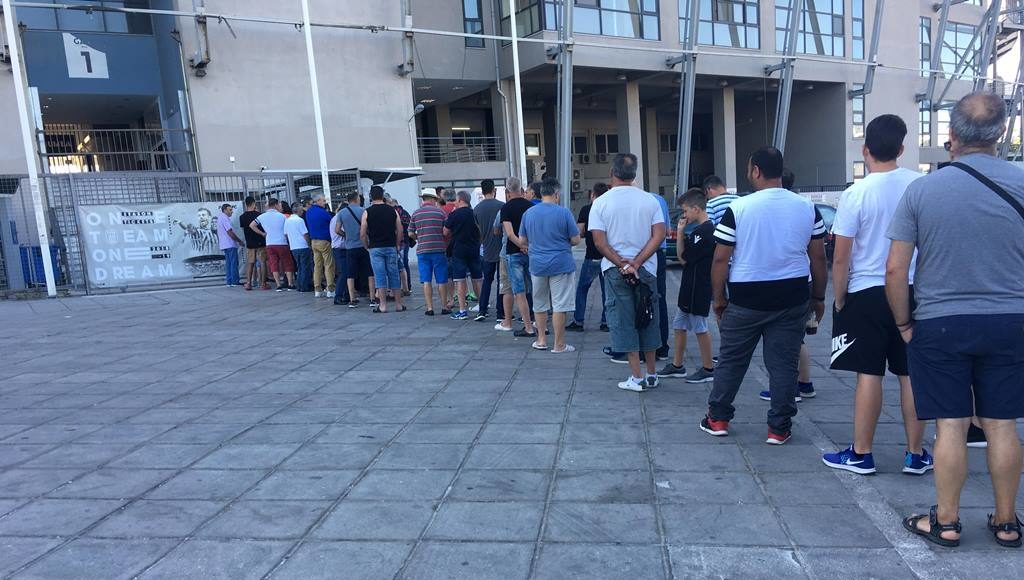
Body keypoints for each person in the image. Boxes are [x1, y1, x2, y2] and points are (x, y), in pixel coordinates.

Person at [888, 92, 1024, 549]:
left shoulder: (923, 190)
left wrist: (905, 324)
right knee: (1002, 424)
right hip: (1011, 320)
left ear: (952, 134)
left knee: (950, 423)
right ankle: (1007, 523)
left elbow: (896, 270)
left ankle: (946, 522)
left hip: (941, 320)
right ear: (1000, 133)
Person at [822, 114, 931, 476]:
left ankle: (861, 453)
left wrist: (840, 298)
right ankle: (916, 454)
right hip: (912, 289)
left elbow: (841, 256)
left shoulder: (856, 193)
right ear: (901, 148)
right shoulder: (920, 186)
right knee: (910, 374)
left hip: (866, 291)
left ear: (865, 149)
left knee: (868, 373)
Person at [700, 146, 827, 445]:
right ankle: (779, 428)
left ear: (756, 170)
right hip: (792, 294)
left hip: (746, 296)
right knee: (783, 363)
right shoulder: (807, 208)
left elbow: (720, 259)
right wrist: (819, 298)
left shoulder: (740, 208)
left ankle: (718, 418)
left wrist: (719, 300)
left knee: (731, 360)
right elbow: (819, 258)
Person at [590, 153, 666, 392]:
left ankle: (636, 376)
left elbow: (600, 242)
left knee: (623, 321)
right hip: (647, 269)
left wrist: (622, 264)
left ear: (612, 173)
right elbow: (659, 235)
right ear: (634, 175)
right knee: (648, 317)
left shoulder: (601, 203)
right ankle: (652, 373)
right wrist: (638, 261)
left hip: (615, 270)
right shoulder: (650, 200)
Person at [758, 168, 816, 401]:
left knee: (780, 342)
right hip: (804, 278)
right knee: (798, 338)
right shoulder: (804, 207)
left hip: (782, 281)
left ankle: (788, 389)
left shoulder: (772, 209)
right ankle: (805, 383)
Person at [658, 188, 716, 383]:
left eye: (685, 210)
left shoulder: (704, 232)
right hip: (691, 284)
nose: (684, 215)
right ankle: (677, 365)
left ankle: (708, 368)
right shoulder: (702, 230)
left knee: (699, 326)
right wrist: (682, 231)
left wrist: (681, 232)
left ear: (696, 209)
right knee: (679, 324)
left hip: (697, 286)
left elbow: (683, 258)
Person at [519, 177, 580, 352]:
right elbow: (576, 239)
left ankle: (541, 340)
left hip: (537, 264)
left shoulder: (529, 213)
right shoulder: (564, 213)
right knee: (560, 305)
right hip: (561, 264)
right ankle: (559, 344)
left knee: (539, 304)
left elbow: (522, 240)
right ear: (556, 194)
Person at [567, 183, 609, 333]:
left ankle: (578, 321)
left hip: (591, 255)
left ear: (592, 195)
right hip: (608, 256)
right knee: (607, 291)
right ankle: (606, 321)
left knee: (582, 289)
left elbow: (579, 231)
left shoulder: (586, 209)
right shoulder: (609, 209)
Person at [502, 177, 540, 338]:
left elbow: (510, 234)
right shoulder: (531, 206)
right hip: (532, 252)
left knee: (520, 292)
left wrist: (521, 245)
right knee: (537, 289)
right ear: (521, 190)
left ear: (507, 191)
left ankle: (528, 327)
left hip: (514, 252)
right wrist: (527, 246)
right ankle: (541, 325)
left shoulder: (506, 208)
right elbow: (536, 231)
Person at [360, 186, 405, 313]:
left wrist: (366, 246)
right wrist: (397, 244)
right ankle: (398, 304)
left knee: (379, 276)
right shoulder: (392, 211)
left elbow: (362, 233)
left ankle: (383, 305)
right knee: (394, 274)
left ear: (371, 197)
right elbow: (400, 229)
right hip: (390, 246)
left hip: (375, 247)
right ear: (382, 196)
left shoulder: (367, 212)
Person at [410, 188, 450, 315]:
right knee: (441, 280)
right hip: (439, 249)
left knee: (426, 280)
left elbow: (410, 233)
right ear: (433, 199)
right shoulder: (441, 212)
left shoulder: (416, 213)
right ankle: (444, 307)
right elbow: (446, 231)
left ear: (423, 199)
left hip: (423, 250)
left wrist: (419, 238)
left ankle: (430, 308)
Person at [444, 191, 484, 320]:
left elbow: (445, 232)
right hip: (474, 249)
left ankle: (462, 310)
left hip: (459, 250)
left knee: (460, 280)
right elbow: (480, 231)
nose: (455, 202)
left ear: (461, 200)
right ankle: (482, 308)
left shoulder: (454, 214)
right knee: (477, 278)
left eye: (456, 200)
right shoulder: (474, 213)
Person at [474, 178, 506, 322]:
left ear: (482, 191)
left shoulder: (477, 209)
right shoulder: (502, 206)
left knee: (487, 280)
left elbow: (477, 231)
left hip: (486, 249)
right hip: (501, 248)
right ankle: (501, 312)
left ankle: (482, 309)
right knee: (502, 282)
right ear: (494, 190)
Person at [249, 198, 295, 291]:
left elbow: (252, 225)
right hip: (282, 242)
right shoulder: (282, 216)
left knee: (274, 264)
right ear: (275, 205)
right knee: (287, 263)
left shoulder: (262, 216)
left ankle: (278, 285)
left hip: (270, 243)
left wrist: (262, 233)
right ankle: (290, 284)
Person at [338, 191, 375, 308]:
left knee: (351, 274)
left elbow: (337, 230)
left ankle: (352, 299)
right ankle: (372, 298)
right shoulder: (363, 211)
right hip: (363, 246)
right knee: (369, 273)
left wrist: (346, 235)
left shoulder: (341, 213)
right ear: (356, 199)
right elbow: (368, 227)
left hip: (350, 247)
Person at [305, 193, 335, 298]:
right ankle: (330, 289)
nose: (325, 202)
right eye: (323, 200)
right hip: (324, 241)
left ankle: (317, 289)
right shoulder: (322, 212)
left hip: (314, 241)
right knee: (328, 265)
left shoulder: (308, 212)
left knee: (317, 266)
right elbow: (331, 221)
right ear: (317, 201)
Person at [238, 197, 267, 290]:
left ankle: (248, 283)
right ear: (254, 203)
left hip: (250, 243)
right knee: (262, 262)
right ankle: (263, 284)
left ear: (246, 204)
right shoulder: (259, 215)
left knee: (250, 263)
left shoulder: (242, 217)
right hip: (260, 242)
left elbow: (243, 229)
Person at [283, 203, 312, 292]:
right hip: (303, 246)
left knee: (299, 266)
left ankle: (299, 285)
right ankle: (304, 286)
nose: (302, 212)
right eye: (301, 210)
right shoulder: (300, 220)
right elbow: (305, 234)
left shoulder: (287, 220)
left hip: (293, 247)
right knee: (305, 267)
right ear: (299, 211)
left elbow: (286, 234)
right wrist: (309, 244)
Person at [388, 195, 413, 296]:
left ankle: (396, 288)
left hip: (396, 241)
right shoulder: (405, 213)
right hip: (405, 241)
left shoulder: (392, 212)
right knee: (404, 264)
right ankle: (407, 287)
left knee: (396, 265)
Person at [329, 202, 351, 305]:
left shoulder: (334, 218)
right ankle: (338, 296)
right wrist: (348, 235)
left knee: (345, 272)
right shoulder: (339, 218)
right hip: (340, 248)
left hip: (338, 248)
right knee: (344, 273)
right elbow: (338, 231)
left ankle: (346, 295)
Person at [217, 203, 244, 287]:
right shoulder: (225, 218)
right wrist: (239, 241)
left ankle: (229, 281)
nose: (232, 212)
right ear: (225, 210)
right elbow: (229, 232)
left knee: (229, 264)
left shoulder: (220, 218)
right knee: (233, 263)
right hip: (230, 244)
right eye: (230, 210)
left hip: (225, 244)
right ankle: (234, 281)